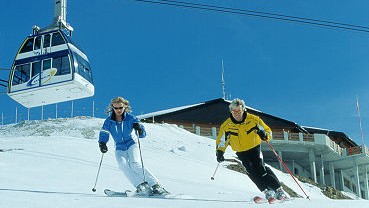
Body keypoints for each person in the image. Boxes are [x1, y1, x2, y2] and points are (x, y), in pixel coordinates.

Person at [215, 98, 287, 201]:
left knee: (260, 168)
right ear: (231, 111)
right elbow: (222, 140)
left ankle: (279, 190)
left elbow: (267, 131)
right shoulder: (226, 125)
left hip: (254, 148)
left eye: (238, 111)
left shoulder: (254, 120)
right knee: (250, 171)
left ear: (243, 109)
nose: (236, 113)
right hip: (240, 151)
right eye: (234, 111)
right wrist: (220, 152)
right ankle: (267, 191)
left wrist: (264, 135)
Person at [98, 96, 167, 196]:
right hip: (119, 147)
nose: (118, 110)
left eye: (120, 108)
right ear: (112, 108)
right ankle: (141, 185)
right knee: (122, 164)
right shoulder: (108, 121)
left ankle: (155, 185)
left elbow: (142, 134)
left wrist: (139, 129)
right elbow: (104, 133)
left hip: (132, 144)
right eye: (116, 108)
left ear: (125, 107)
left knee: (135, 163)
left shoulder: (131, 118)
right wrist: (102, 143)